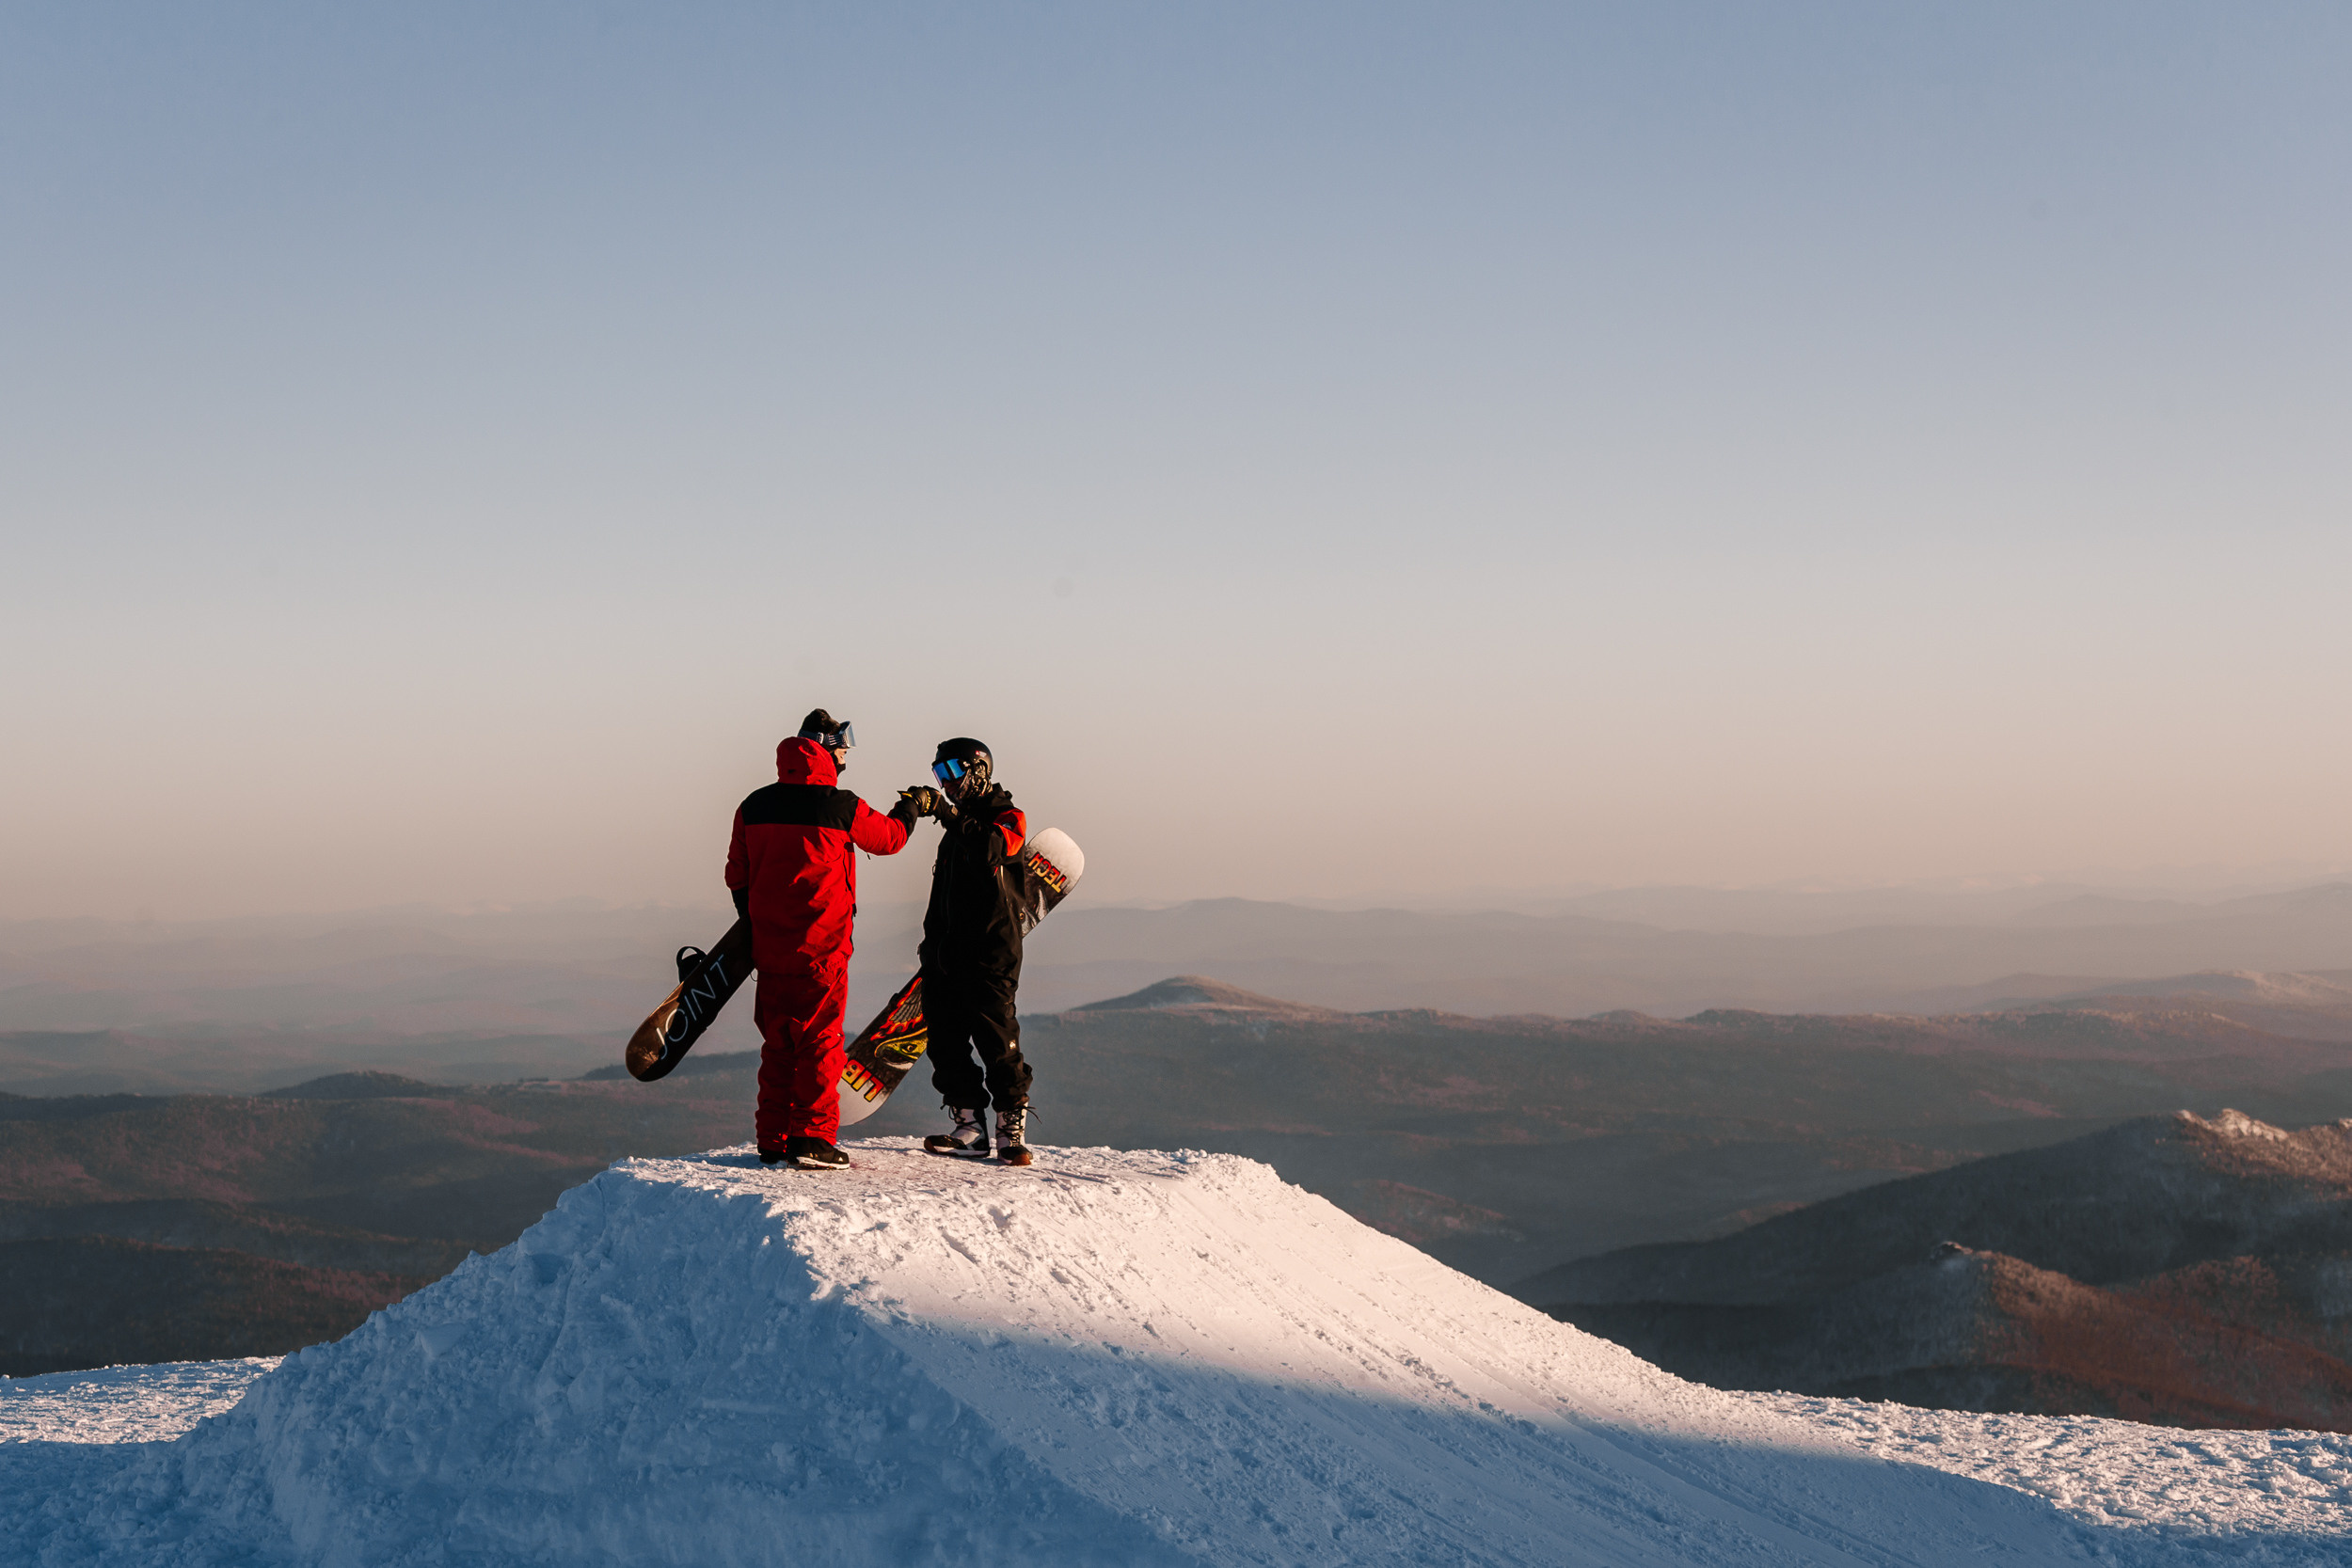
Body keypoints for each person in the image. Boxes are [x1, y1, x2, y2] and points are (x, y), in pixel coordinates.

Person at [725, 709, 917, 1170]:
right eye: (844, 746)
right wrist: (912, 808)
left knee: (777, 1043)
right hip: (822, 949)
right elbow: (889, 840)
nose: (848, 753)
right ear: (827, 748)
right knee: (820, 1041)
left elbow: (737, 876)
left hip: (769, 951)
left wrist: (755, 924)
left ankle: (772, 1139)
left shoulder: (753, 805)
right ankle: (812, 1138)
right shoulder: (840, 804)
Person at [902, 738, 1035, 1165]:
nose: (947, 785)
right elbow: (942, 893)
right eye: (940, 777)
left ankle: (1009, 1124)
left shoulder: (1006, 817)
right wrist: (930, 943)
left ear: (977, 770)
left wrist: (946, 814)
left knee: (996, 1037)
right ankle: (970, 1126)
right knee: (944, 1040)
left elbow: (990, 850)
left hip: (991, 951)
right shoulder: (955, 829)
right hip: (946, 952)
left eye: (952, 774)